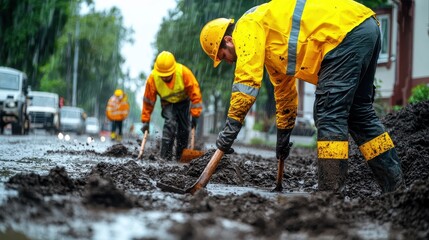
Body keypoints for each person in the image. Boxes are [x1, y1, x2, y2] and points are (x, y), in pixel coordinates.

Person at [199, 0, 403, 194]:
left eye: (222, 56)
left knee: (329, 113)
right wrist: (283, 134)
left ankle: (331, 193)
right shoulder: (271, 42)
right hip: (365, 28)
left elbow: (247, 81)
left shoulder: (246, 27)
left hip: (344, 34)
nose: (226, 61)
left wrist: (231, 128)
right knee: (360, 115)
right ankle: (395, 187)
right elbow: (284, 93)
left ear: (228, 40)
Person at [141, 51, 203, 161]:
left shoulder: (184, 73)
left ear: (173, 70)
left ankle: (180, 156)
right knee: (170, 123)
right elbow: (148, 101)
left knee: (184, 129)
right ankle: (165, 157)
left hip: (184, 102)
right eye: (162, 76)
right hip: (167, 103)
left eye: (167, 75)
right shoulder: (153, 78)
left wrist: (195, 115)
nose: (164, 78)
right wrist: (145, 120)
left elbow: (195, 94)